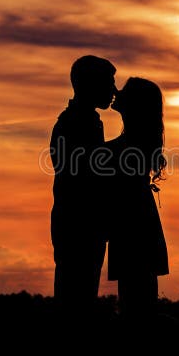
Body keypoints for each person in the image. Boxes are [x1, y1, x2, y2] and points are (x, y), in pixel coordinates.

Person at [49, 55, 117, 313]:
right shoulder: (74, 123)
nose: (113, 90)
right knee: (75, 302)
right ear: (90, 84)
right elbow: (84, 178)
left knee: (81, 299)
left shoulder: (84, 121)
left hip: (82, 225)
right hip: (78, 226)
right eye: (108, 83)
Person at [106, 77, 169, 317]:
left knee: (137, 307)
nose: (116, 92)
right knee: (137, 303)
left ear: (135, 104)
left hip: (134, 225)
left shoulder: (131, 146)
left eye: (124, 91)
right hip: (137, 222)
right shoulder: (135, 143)